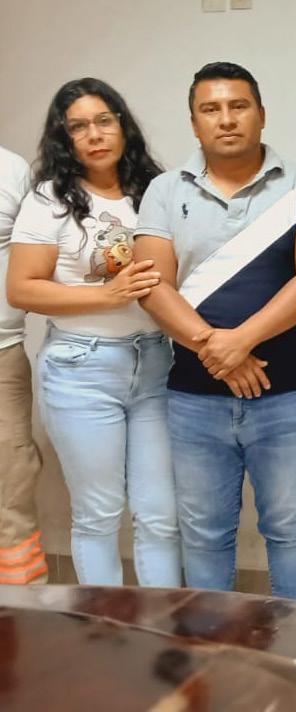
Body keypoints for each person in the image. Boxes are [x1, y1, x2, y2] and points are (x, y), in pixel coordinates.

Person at [133, 61, 296, 602]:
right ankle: (212, 647)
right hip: (194, 399)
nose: (226, 119)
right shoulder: (163, 190)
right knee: (204, 534)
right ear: (194, 122)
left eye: (238, 106)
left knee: (290, 530)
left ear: (261, 114)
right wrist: (217, 348)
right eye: (211, 109)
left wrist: (239, 340)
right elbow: (152, 285)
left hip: (285, 395)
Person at [7, 78, 179, 587]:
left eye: (104, 121)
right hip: (82, 368)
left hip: (155, 363)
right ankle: (104, 629)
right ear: (64, 138)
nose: (95, 135)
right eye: (78, 127)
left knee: (161, 515)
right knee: (99, 515)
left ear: (123, 125)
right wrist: (109, 295)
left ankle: (161, 629)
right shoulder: (49, 199)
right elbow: (22, 289)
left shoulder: (156, 189)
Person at [0, 144, 47, 586]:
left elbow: (40, 257)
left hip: (2, 358)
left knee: (11, 488)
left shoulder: (10, 170)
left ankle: (21, 609)